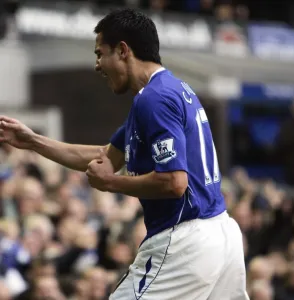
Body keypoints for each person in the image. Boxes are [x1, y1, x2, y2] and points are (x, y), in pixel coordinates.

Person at [0, 8, 249, 300]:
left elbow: (173, 182)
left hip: (184, 240)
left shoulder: (153, 100)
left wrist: (110, 184)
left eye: (99, 53)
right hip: (221, 235)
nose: (97, 65)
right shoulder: (173, 91)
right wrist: (32, 141)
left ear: (122, 51)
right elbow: (104, 156)